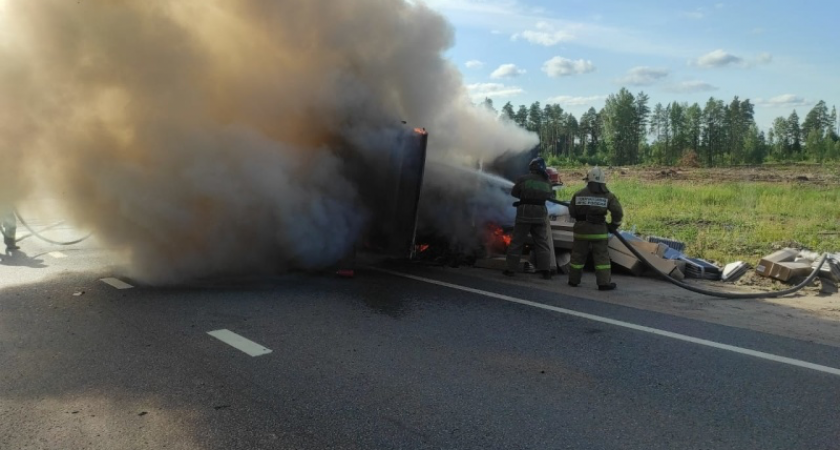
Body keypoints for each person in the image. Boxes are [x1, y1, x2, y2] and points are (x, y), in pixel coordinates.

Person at [567, 166, 623, 290]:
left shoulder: (578, 194)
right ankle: (603, 283)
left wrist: (581, 219)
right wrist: (613, 225)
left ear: (588, 180)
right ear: (603, 182)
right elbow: (618, 212)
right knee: (601, 258)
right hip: (599, 232)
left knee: (577, 256)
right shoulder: (608, 196)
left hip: (581, 231)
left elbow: (572, 211)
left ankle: (573, 280)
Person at [504, 157, 553, 279]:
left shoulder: (523, 179)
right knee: (542, 243)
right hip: (540, 215)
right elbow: (549, 195)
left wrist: (525, 198)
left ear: (532, 167)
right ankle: (545, 270)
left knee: (517, 242)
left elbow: (514, 193)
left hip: (524, 214)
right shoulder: (547, 182)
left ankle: (510, 269)